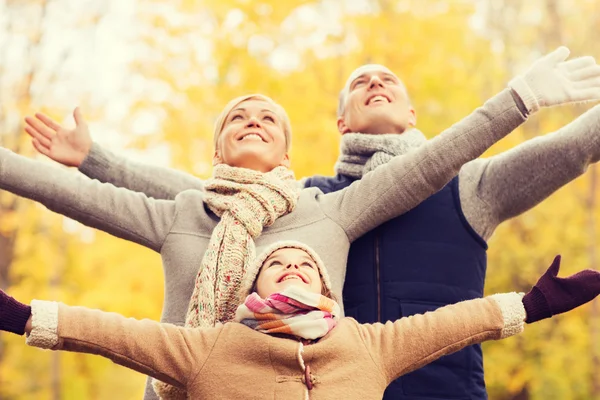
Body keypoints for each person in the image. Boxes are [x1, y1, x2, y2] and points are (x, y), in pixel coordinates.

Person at [15, 47, 600, 398]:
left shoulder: (445, 189)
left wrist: (520, 97)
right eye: (360, 83)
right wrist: (95, 160)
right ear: (340, 124)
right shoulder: (290, 205)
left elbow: (456, 159)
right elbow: (180, 200)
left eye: (388, 79)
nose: (375, 83)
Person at [1, 241, 599, 399]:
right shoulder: (207, 348)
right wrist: (20, 315)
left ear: (324, 287)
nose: (290, 268)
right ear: (254, 287)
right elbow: (108, 332)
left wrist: (535, 304)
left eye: (302, 265)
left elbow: (454, 323)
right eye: (276, 265)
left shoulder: (366, 343)